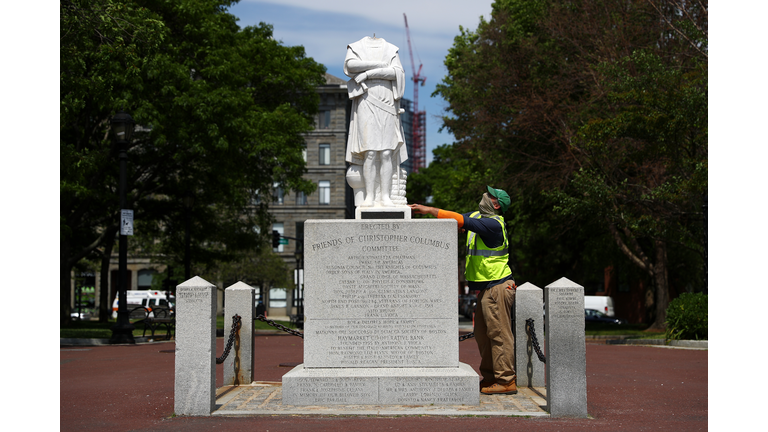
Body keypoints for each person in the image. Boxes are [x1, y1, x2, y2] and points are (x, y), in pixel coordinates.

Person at [409, 186, 518, 395]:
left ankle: (506, 380)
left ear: (495, 204)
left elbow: (463, 221)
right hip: (486, 288)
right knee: (483, 335)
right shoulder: (479, 216)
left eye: (489, 195)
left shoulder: (493, 224)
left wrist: (428, 210)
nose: (484, 196)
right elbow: (457, 219)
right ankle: (490, 378)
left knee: (499, 334)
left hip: (497, 286)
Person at [344, 36, 408, 207]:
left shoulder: (391, 49)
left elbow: (396, 72)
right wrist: (379, 65)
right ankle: (370, 196)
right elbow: (350, 66)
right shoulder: (356, 46)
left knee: (387, 152)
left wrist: (367, 73)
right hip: (366, 98)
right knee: (370, 153)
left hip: (387, 100)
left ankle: (385, 196)